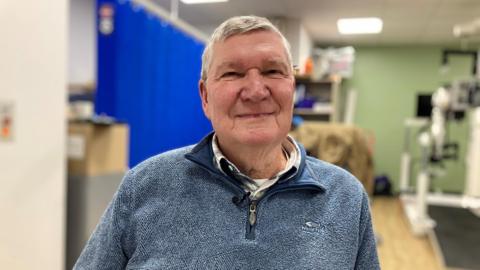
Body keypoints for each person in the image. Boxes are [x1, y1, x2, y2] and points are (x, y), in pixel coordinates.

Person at [74, 15, 380, 270]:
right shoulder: (144, 186)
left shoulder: (346, 198)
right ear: (205, 97)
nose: (256, 90)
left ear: (292, 87)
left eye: (273, 71)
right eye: (233, 74)